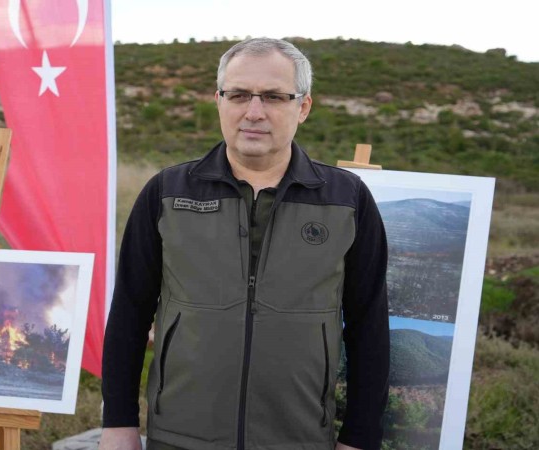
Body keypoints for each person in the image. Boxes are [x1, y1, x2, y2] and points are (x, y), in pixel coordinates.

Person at [99, 37, 389, 450]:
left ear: (303, 107)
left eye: (273, 96)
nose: (254, 112)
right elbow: (129, 312)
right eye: (238, 95)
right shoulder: (165, 193)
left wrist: (360, 437)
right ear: (218, 100)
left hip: (299, 439)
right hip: (181, 438)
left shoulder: (348, 200)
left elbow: (368, 327)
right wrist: (118, 423)